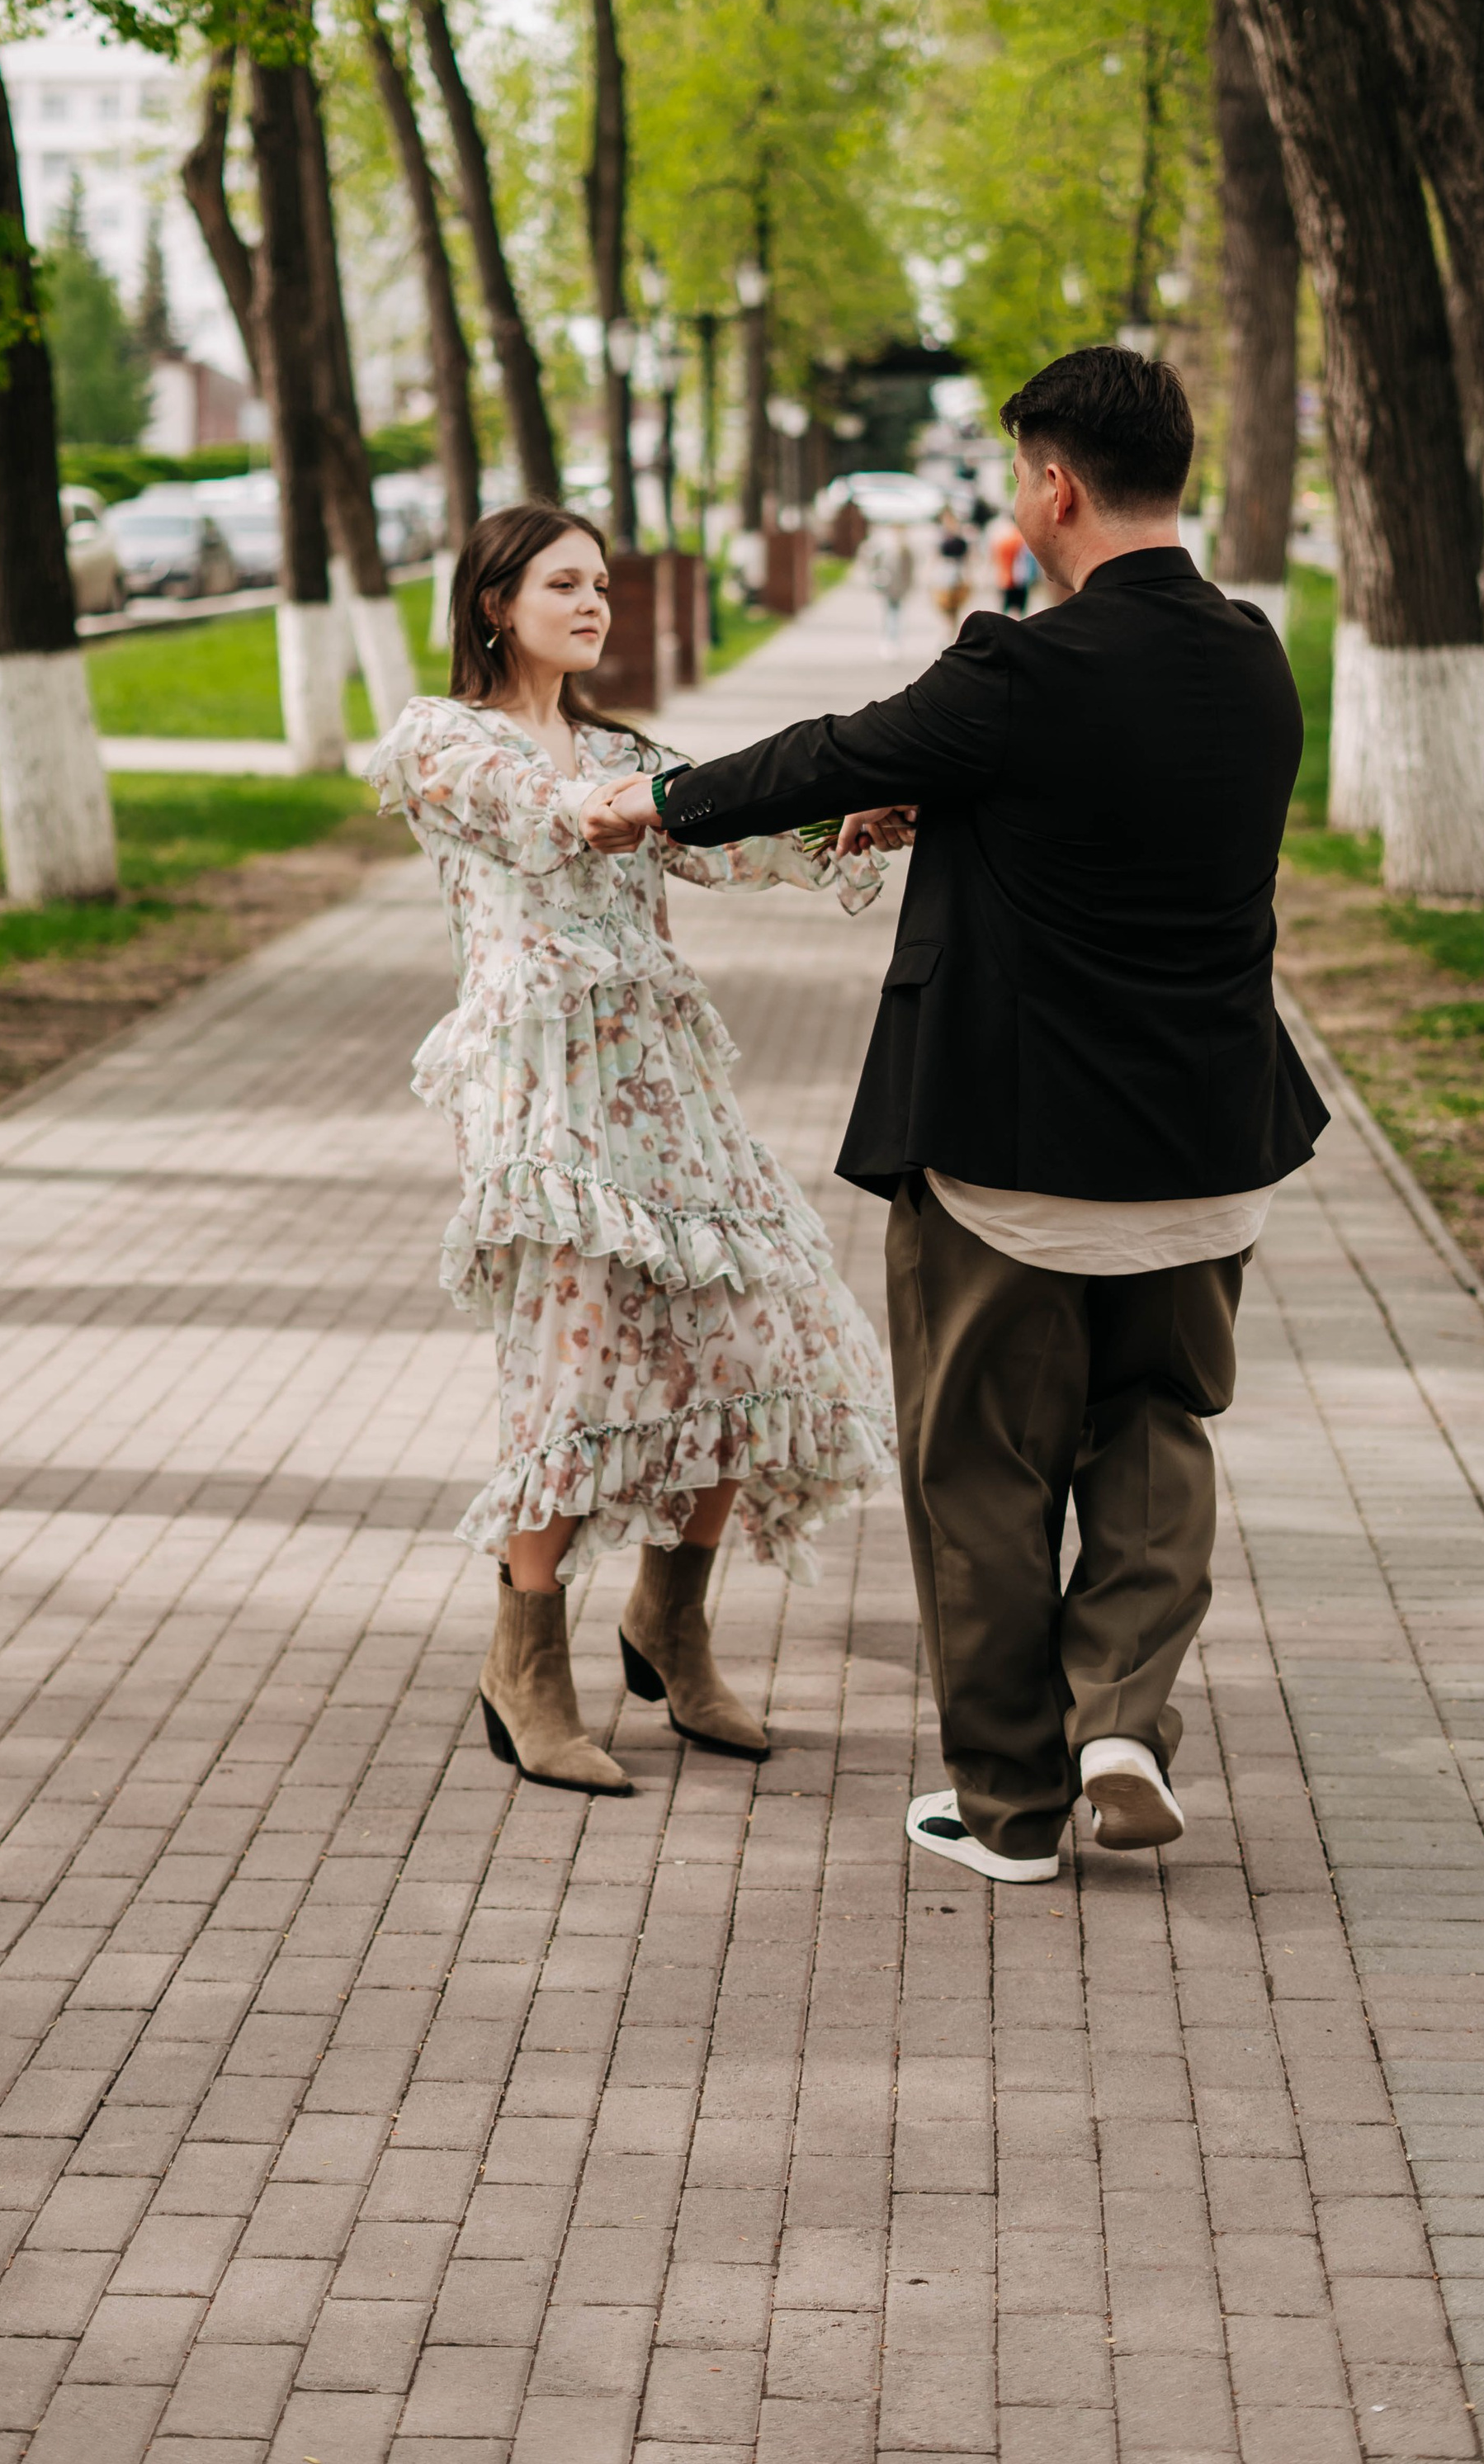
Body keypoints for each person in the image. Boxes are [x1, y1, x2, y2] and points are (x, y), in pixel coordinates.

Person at [586, 349, 1327, 1880]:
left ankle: (1014, 1809)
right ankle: (1119, 1713)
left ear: (1053, 485)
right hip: (1205, 1150)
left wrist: (647, 803)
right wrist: (962, 803)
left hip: (1018, 1152)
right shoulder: (1254, 656)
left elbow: (831, 753)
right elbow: (1113, 810)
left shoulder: (1017, 674)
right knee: (1156, 1428)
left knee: (984, 1470)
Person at [370, 504, 897, 1799]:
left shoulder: (620, 744)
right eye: (565, 584)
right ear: (496, 602)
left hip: (665, 1078)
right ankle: (525, 1665)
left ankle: (671, 1623)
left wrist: (845, 823)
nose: (593, 603)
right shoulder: (445, 740)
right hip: (543, 1088)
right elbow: (558, 813)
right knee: (576, 1358)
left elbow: (713, 831)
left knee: (745, 1329)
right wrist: (665, 800)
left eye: (601, 583)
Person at [863, 523, 915, 655]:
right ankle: (889, 639)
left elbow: (909, 570)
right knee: (889, 612)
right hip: (887, 586)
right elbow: (872, 562)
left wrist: (908, 586)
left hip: (898, 587)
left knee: (894, 613)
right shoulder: (884, 547)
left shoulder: (904, 549)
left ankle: (893, 639)